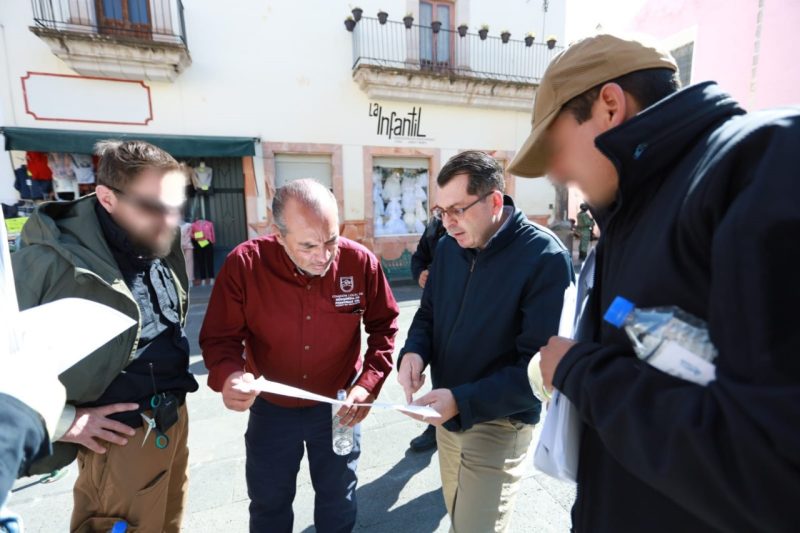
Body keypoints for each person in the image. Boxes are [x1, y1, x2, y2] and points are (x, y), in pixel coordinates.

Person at [508, 33, 800, 532]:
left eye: (555, 147)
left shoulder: (762, 161)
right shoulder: (634, 209)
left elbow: (771, 467)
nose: (555, 172)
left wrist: (578, 370)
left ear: (609, 106)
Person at [12, 140, 198, 532]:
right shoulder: (47, 259)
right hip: (116, 440)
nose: (170, 219)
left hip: (171, 422)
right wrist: (63, 422)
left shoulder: (157, 239)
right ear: (107, 198)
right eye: (153, 206)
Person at [200, 179, 399, 533]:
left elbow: (384, 326)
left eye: (332, 240)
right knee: (269, 502)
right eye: (308, 245)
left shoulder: (359, 262)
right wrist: (229, 375)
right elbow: (220, 338)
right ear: (278, 234)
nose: (323, 256)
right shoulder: (244, 265)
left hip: (340, 407)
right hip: (272, 409)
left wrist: (368, 384)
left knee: (339, 499)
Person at [397, 151, 573, 532]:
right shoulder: (446, 248)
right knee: (459, 518)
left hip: (500, 422)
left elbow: (540, 372)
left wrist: (461, 400)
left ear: (495, 200)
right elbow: (427, 315)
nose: (448, 223)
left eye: (457, 210)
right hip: (445, 415)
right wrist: (413, 352)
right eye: (440, 212)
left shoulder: (545, 258)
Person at [407, 216, 446, 452]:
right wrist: (420, 272)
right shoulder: (434, 226)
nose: (448, 216)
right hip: (438, 307)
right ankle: (435, 427)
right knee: (441, 369)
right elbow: (419, 258)